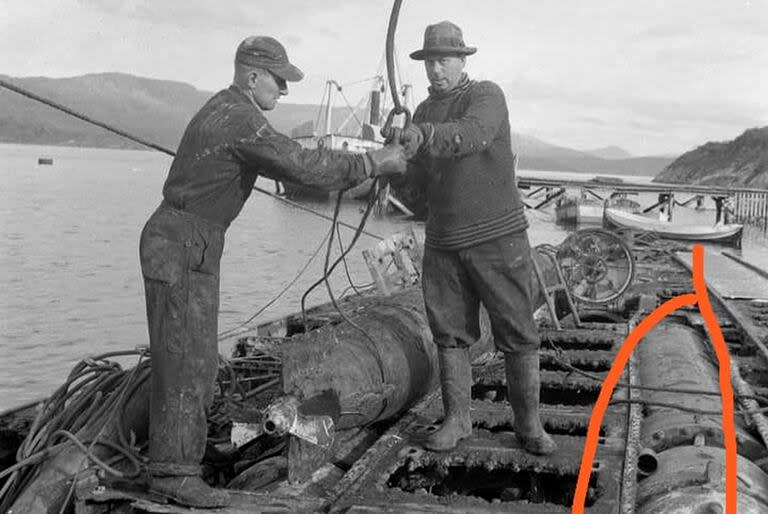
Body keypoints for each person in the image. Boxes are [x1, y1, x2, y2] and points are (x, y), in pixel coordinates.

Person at [139, 36, 407, 508]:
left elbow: (298, 164)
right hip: (183, 242)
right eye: (279, 80)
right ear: (252, 76)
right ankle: (173, 475)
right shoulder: (240, 119)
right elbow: (302, 164)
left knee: (194, 357)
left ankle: (184, 457)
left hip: (190, 241)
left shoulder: (225, 112)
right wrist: (372, 161)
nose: (283, 90)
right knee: (186, 361)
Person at [397, 21, 556, 455]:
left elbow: (471, 134)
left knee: (518, 331)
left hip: (497, 237)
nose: (435, 70)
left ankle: (528, 425)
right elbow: (415, 189)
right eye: (430, 62)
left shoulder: (486, 96)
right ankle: (457, 420)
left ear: (463, 60)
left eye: (444, 60)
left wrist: (424, 136)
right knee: (449, 334)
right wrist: (397, 161)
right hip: (444, 243)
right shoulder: (423, 114)